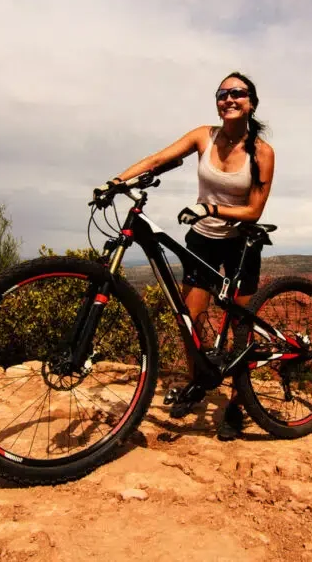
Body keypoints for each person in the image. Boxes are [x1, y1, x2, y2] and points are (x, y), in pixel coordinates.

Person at [97, 71, 275, 441]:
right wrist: (115, 183)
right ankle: (199, 383)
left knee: (240, 329)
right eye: (222, 93)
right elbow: (158, 158)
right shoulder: (202, 136)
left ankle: (237, 407)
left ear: (251, 103)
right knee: (190, 320)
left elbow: (254, 211)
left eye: (237, 93)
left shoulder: (262, 153)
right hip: (203, 240)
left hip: (241, 243)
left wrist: (213, 209)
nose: (229, 98)